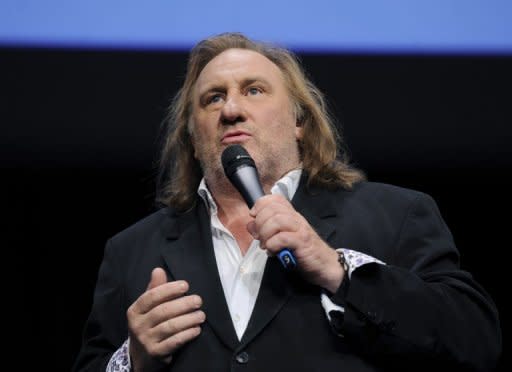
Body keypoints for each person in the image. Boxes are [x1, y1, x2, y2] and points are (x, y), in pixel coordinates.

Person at [72, 32, 501, 372]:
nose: (232, 109)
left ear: (299, 120)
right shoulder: (131, 251)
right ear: (191, 133)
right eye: (213, 98)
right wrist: (132, 363)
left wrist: (338, 272)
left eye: (254, 90)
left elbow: (475, 342)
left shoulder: (397, 216)